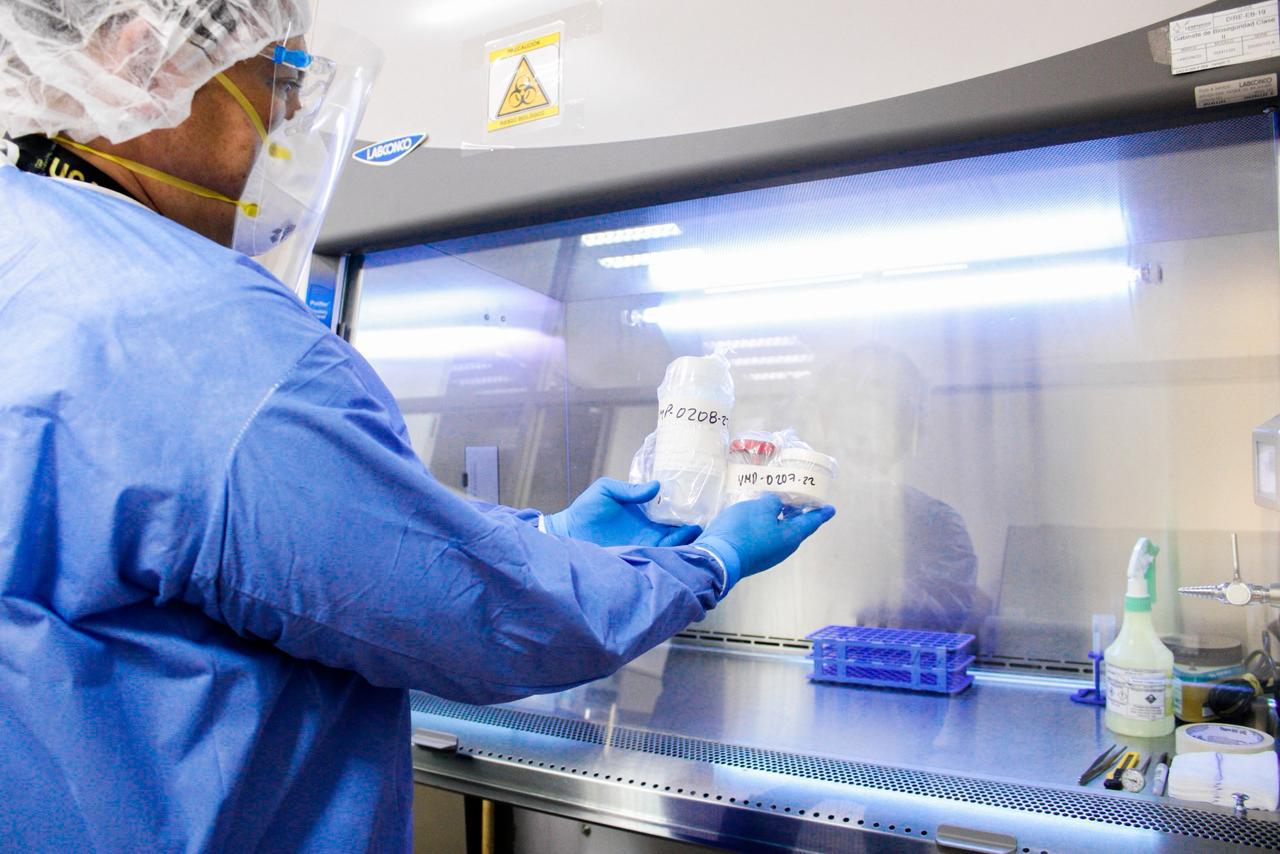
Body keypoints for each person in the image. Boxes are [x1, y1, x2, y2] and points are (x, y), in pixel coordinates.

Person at [0, 3, 834, 851]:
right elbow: (476, 620)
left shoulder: (27, 256)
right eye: (278, 78)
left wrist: (548, 536)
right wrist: (707, 561)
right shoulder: (212, 332)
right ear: (143, 58)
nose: (291, 114)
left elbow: (306, 543)